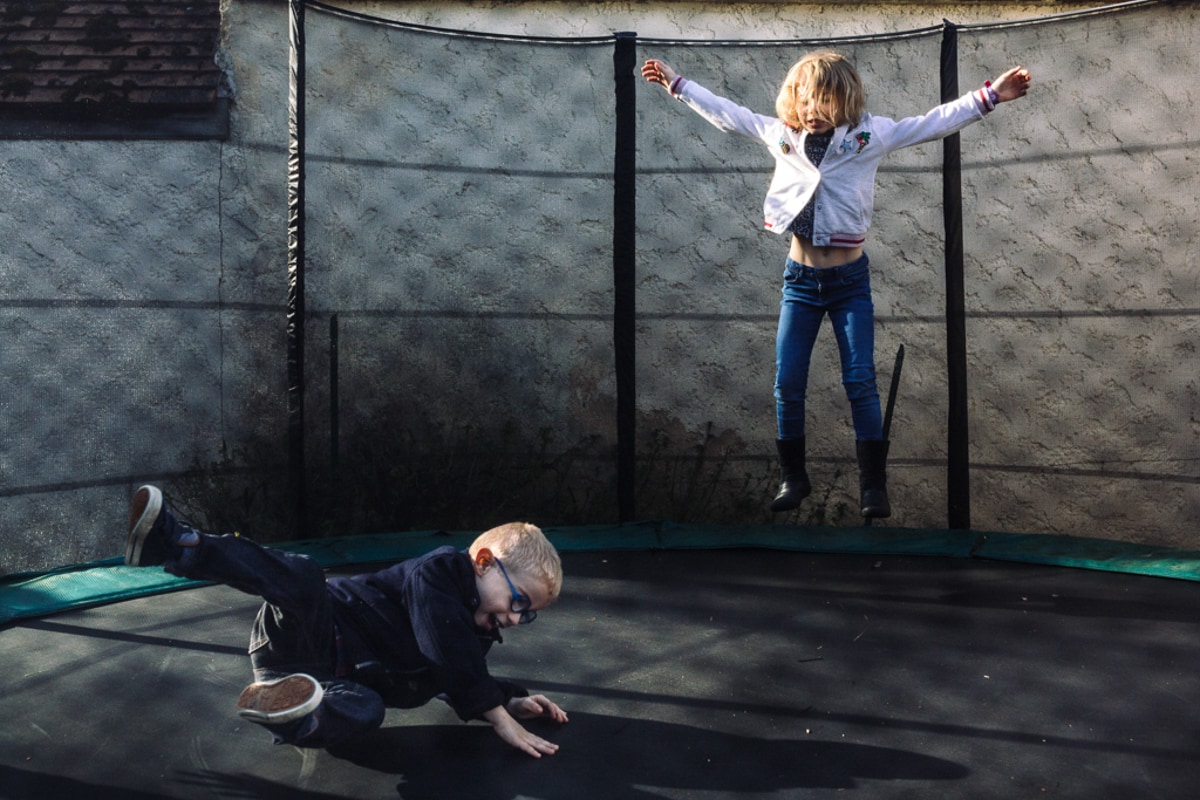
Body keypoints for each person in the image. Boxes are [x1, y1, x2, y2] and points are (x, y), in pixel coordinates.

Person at [642, 52, 1031, 519]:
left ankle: (872, 486)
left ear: (844, 101)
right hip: (800, 282)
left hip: (849, 282)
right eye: (805, 101)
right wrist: (679, 86)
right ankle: (793, 476)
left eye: (824, 101)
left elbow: (931, 122)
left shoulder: (868, 137)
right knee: (787, 383)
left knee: (860, 382)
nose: (813, 111)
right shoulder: (783, 136)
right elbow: (732, 115)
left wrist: (991, 96)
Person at [123, 484, 569, 757]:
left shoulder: (471, 634)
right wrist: (497, 717)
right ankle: (176, 545)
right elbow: (443, 642)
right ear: (484, 562)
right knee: (304, 576)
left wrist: (509, 699)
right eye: (517, 600)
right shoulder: (439, 573)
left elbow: (454, 676)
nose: (514, 618)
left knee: (367, 711)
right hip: (312, 630)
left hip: (324, 682)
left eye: (526, 615)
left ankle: (286, 708)